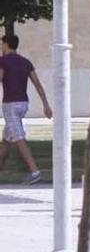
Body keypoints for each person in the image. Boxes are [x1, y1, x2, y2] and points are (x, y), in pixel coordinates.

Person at [0, 34, 53, 185]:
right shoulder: (25, 62)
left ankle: (34, 171)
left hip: (10, 104)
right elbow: (37, 83)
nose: (1, 47)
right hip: (23, 104)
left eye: (2, 44)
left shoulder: (3, 61)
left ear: (7, 44)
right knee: (7, 138)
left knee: (19, 138)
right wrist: (46, 104)